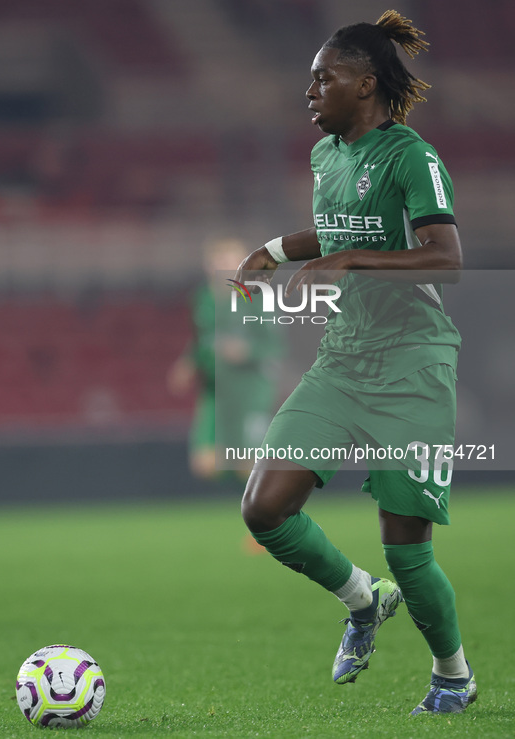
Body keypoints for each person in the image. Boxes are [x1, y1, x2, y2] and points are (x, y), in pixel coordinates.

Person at [234, 10, 476, 715]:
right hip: (342, 362)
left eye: (322, 78)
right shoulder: (326, 157)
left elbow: (445, 260)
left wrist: (345, 259)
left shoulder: (412, 157)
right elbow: (339, 228)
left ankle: (451, 673)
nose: (308, 91)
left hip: (413, 367)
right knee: (264, 507)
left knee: (409, 549)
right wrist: (275, 252)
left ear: (364, 83)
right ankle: (362, 600)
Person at [169, 237, 279, 480]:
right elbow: (202, 339)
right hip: (215, 389)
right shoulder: (202, 299)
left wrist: (246, 350)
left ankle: (258, 510)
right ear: (209, 266)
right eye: (220, 261)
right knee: (205, 464)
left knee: (247, 464)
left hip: (249, 390)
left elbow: (274, 345)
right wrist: (189, 363)